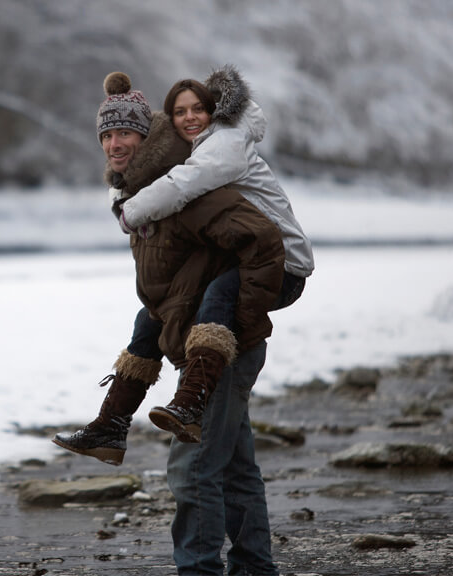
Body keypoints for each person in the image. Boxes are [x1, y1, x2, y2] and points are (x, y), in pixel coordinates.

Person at [53, 71, 286, 466]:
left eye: (125, 133)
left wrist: (240, 319)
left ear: (148, 137)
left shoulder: (184, 187)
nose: (114, 143)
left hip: (220, 338)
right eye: (107, 136)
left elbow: (262, 243)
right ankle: (110, 426)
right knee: (234, 464)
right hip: (196, 329)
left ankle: (135, 420)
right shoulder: (142, 194)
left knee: (196, 471)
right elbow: (171, 274)